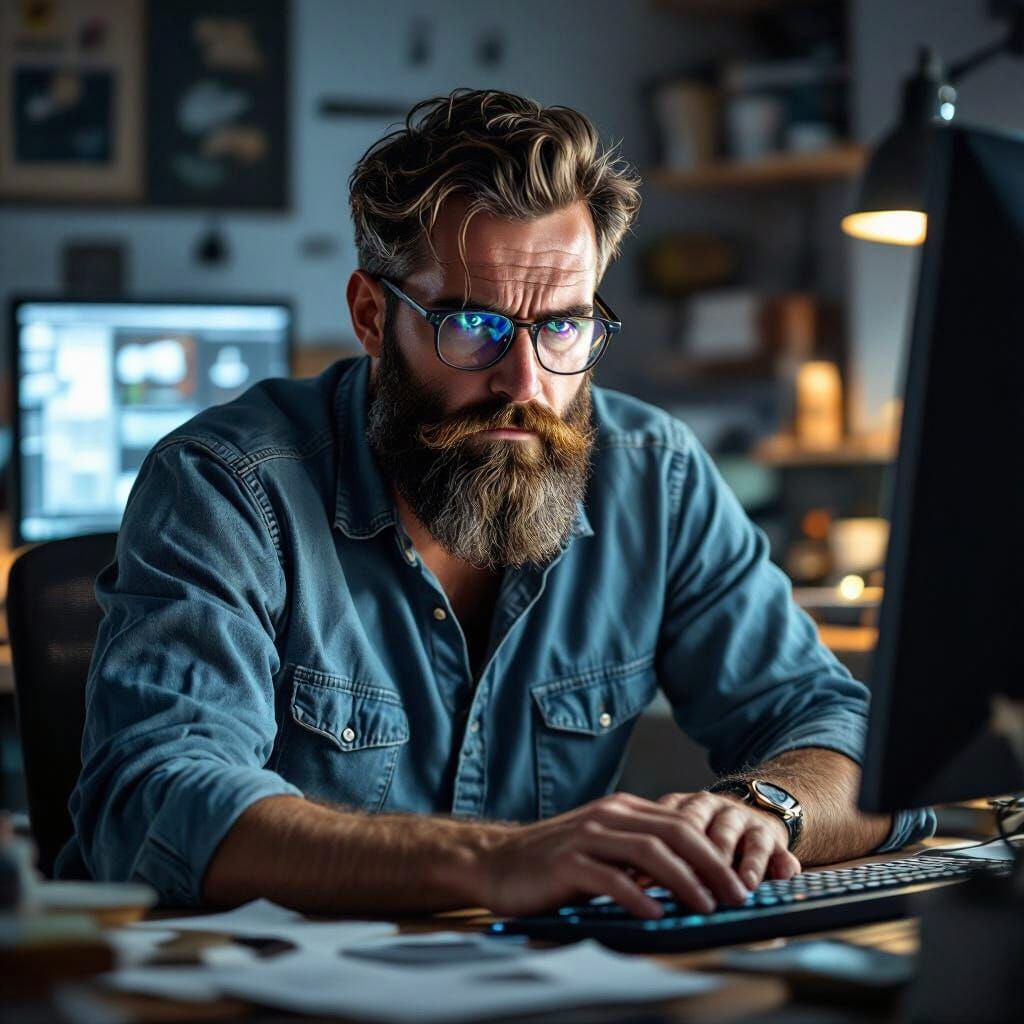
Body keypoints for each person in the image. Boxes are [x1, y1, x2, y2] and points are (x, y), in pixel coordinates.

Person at [58, 89, 933, 917]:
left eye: (561, 326)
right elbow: (156, 801)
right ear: (371, 315)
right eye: (473, 326)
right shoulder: (228, 485)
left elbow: (852, 738)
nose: (524, 383)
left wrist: (764, 810)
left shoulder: (656, 478)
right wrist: (493, 859)